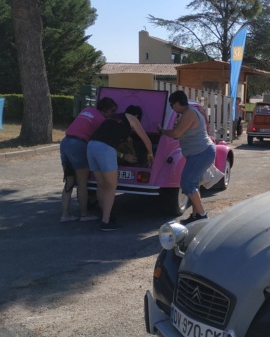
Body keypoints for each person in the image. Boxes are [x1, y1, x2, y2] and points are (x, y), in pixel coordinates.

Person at [87, 105, 154, 231]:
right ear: (137, 117)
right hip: (105, 149)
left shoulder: (112, 117)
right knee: (111, 186)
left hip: (91, 146)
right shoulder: (133, 119)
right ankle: (106, 222)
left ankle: (106, 215)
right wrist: (150, 154)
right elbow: (147, 141)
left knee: (101, 185)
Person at [158, 90, 216, 223]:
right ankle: (195, 216)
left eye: (172, 105)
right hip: (200, 152)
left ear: (178, 103)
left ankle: (201, 215)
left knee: (187, 183)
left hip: (201, 152)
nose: (173, 108)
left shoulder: (189, 113)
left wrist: (161, 131)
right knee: (193, 183)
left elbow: (176, 133)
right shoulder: (188, 112)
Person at [59, 97, 118, 223]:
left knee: (69, 181)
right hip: (79, 145)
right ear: (107, 110)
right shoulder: (102, 120)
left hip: (65, 142)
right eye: (112, 111)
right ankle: (84, 215)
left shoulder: (87, 110)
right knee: (82, 183)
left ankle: (65, 215)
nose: (112, 115)